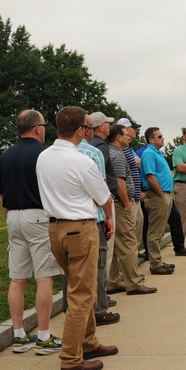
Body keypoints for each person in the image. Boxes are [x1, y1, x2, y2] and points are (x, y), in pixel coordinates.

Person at [36, 106, 118, 370]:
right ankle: (71, 358)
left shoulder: (43, 157)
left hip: (55, 229)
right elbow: (103, 196)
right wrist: (109, 219)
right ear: (82, 130)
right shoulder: (82, 161)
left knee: (79, 286)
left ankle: (89, 342)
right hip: (80, 229)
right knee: (82, 294)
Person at [0, 110, 64, 356]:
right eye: (44, 125)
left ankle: (19, 334)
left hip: (13, 215)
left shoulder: (7, 155)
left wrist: (11, 216)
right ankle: (44, 336)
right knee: (44, 276)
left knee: (18, 278)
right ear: (37, 128)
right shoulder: (44, 154)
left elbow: (0, 194)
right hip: (38, 214)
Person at [106, 124, 157, 296]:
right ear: (118, 137)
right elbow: (120, 182)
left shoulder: (111, 152)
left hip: (118, 203)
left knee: (117, 244)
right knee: (128, 243)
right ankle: (133, 283)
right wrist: (127, 203)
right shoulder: (118, 155)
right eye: (126, 134)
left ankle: (112, 281)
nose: (129, 137)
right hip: (122, 204)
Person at [79, 114, 119, 326]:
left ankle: (75, 315)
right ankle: (100, 309)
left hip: (61, 222)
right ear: (88, 129)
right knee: (100, 264)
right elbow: (101, 188)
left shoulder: (48, 155)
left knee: (73, 274)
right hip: (93, 217)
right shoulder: (96, 151)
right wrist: (108, 216)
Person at [141, 126, 178, 275]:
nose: (163, 138)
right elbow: (150, 176)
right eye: (160, 136)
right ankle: (155, 264)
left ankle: (158, 261)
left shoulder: (158, 153)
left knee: (160, 230)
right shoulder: (149, 153)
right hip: (157, 196)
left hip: (165, 194)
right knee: (155, 231)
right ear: (151, 139)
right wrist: (161, 194)